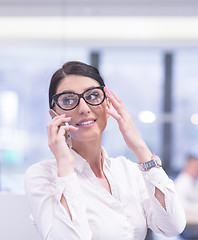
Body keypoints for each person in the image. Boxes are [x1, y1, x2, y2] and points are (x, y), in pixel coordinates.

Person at [24, 61, 186, 240]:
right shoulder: (42, 175)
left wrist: (140, 147)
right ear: (54, 115)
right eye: (68, 100)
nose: (84, 108)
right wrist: (65, 165)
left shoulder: (128, 171)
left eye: (93, 96)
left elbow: (172, 226)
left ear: (108, 103)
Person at [174, 155, 198, 239]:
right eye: (196, 167)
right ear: (188, 166)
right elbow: (180, 205)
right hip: (188, 225)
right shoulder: (182, 182)